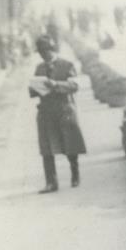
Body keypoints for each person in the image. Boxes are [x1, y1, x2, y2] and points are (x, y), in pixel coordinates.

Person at [29, 34, 87, 193]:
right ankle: (51, 182)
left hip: (64, 108)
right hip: (46, 110)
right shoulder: (39, 68)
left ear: (51, 49)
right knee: (46, 147)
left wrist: (56, 84)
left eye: (44, 51)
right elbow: (34, 90)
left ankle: (75, 174)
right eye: (40, 51)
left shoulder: (67, 65)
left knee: (70, 144)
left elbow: (74, 86)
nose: (42, 54)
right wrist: (34, 88)